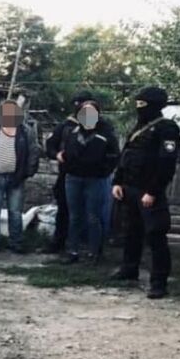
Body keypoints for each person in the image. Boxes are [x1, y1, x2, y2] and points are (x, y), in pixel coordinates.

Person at [111, 86, 180, 299]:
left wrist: (153, 191)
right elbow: (126, 155)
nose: (139, 108)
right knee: (131, 231)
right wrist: (118, 181)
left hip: (149, 191)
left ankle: (159, 282)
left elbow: (166, 163)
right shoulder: (139, 127)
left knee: (155, 235)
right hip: (130, 188)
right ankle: (129, 269)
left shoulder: (167, 128)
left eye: (142, 104)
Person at [0, 100, 40, 254]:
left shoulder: (25, 131)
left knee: (15, 213)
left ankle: (16, 242)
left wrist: (28, 171)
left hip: (16, 178)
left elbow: (34, 151)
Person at [61, 100, 120, 264]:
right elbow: (66, 151)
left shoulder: (106, 133)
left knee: (93, 216)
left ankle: (94, 253)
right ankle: (72, 251)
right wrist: (67, 163)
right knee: (74, 216)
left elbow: (115, 156)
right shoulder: (73, 132)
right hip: (73, 178)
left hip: (96, 180)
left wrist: (103, 171)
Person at [43, 91, 96, 254]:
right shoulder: (65, 125)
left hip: (92, 176)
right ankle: (59, 243)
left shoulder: (100, 126)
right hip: (67, 175)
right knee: (64, 210)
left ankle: (88, 246)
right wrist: (57, 155)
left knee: (90, 212)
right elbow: (50, 146)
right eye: (78, 105)